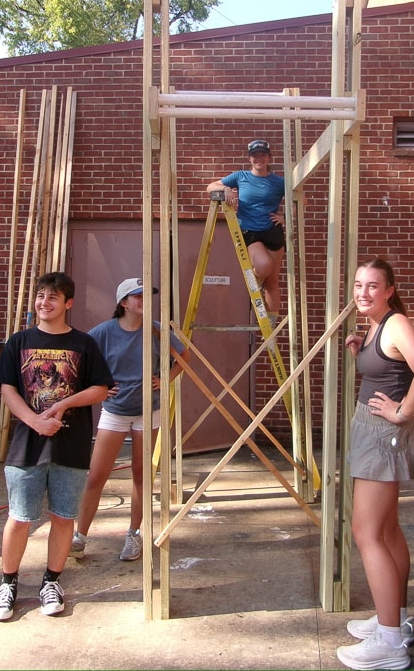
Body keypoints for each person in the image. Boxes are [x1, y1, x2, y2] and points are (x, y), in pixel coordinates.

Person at [0, 272, 113, 622]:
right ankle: (7, 584)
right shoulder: (19, 341)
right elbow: (8, 389)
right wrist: (35, 420)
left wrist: (64, 404)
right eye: (41, 296)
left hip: (71, 446)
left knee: (63, 517)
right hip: (27, 445)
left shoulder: (84, 344)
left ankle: (52, 582)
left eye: (53, 297)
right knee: (20, 517)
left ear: (68, 304)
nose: (45, 302)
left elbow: (101, 388)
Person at [337, 258, 414, 671]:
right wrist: (363, 352)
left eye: (373, 286)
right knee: (387, 528)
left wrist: (402, 412)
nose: (363, 292)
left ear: (389, 289)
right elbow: (390, 366)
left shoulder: (395, 323)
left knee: (366, 533)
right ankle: (391, 618)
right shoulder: (377, 326)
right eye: (359, 285)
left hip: (382, 434)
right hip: (371, 430)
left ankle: (390, 644)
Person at [71, 277, 190, 562]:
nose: (144, 301)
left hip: (149, 411)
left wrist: (165, 380)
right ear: (124, 302)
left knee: (141, 475)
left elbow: (184, 357)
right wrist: (99, 387)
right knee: (96, 475)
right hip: (114, 411)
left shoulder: (158, 332)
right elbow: (78, 363)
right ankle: (79, 536)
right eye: (138, 296)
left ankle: (133, 534)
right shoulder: (103, 332)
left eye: (148, 295)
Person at [207, 139, 286, 321]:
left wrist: (285, 218)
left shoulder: (278, 181)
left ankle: (270, 325)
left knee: (273, 282)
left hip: (272, 231)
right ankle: (256, 281)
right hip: (250, 231)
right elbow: (210, 186)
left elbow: (301, 199)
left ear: (269, 157)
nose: (259, 159)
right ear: (250, 158)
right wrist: (226, 188)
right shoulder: (240, 176)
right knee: (264, 266)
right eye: (255, 155)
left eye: (262, 155)